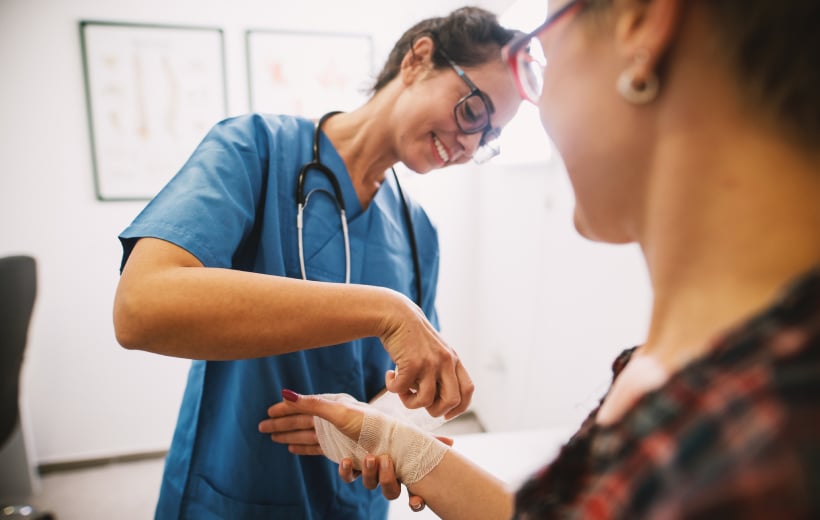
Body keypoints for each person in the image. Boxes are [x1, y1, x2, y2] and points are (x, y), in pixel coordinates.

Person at [262, 0, 820, 518]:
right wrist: (399, 445)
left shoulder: (756, 440)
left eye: (546, 59)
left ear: (640, 22)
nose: (544, 104)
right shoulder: (692, 378)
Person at [112, 6, 522, 519]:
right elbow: (140, 308)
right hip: (235, 492)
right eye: (472, 112)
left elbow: (410, 392)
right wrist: (385, 309)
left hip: (356, 500)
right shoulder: (254, 149)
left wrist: (376, 426)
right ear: (418, 59)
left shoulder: (419, 231)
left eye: (488, 139)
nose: (469, 143)